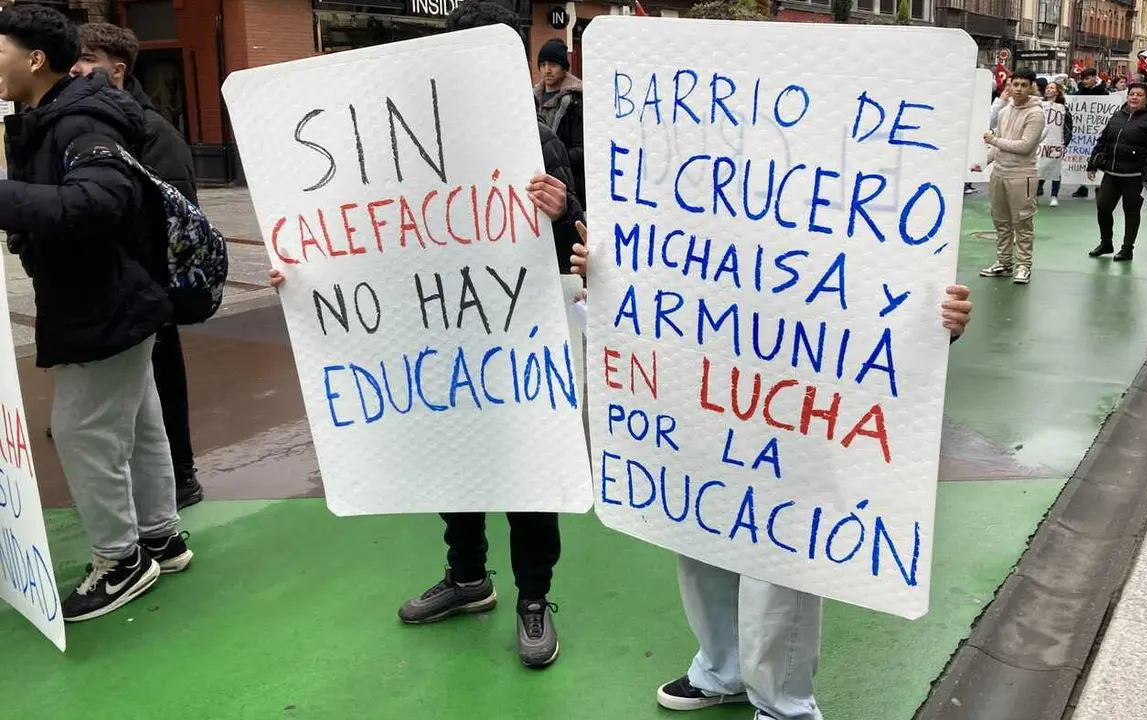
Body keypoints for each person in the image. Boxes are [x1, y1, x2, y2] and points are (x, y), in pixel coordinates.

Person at [269, 0, 583, 669]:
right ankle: (468, 577)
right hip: (440, 335)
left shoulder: (536, 141)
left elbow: (576, 246)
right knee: (456, 457)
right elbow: (368, 230)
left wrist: (562, 210)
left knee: (527, 474)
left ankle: (534, 598)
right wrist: (302, 269)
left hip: (514, 340)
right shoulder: (398, 139)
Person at [566, 226, 974, 720]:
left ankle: (784, 704)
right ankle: (724, 668)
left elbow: (871, 281)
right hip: (700, 389)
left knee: (778, 555)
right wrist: (616, 277)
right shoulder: (694, 186)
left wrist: (930, 325)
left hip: (794, 402)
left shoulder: (830, 195)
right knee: (700, 533)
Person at [0, 5, 191, 622]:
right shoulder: (48, 116)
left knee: (85, 430)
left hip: (106, 301)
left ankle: (122, 561)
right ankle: (161, 536)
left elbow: (97, 202)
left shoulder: (82, 121)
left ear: (34, 59)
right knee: (137, 422)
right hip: (115, 296)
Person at [71, 22, 205, 510]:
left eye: (86, 59)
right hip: (108, 288)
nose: (76, 67)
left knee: (161, 384)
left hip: (148, 289)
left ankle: (181, 475)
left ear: (117, 68)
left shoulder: (152, 132)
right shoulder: (88, 125)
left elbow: (179, 216)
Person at [974, 67, 1044, 285]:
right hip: (999, 174)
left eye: (1024, 85)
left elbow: (1025, 146)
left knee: (1022, 223)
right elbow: (998, 148)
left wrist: (993, 140)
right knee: (1001, 221)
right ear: (1010, 86)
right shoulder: (1004, 112)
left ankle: (1024, 265)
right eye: (1016, 84)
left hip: (1021, 176)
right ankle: (1004, 262)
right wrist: (982, 162)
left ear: (1031, 87)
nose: (1019, 89)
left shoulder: (1036, 113)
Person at [1086, 83, 1147, 262]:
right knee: (1103, 207)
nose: (1134, 97)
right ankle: (1106, 242)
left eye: (1139, 94)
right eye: (1131, 94)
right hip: (1112, 173)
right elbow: (1103, 140)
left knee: (1131, 212)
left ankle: (1127, 249)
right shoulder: (1118, 115)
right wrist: (1092, 163)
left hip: (1135, 176)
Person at [533, 38, 585, 209]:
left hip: (569, 186)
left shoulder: (575, 102)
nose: (547, 70)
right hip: (537, 182)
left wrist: (554, 157)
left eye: (553, 65)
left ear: (564, 68)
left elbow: (582, 149)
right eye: (543, 64)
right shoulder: (531, 99)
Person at [1070, 68, 1111, 199]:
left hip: (1098, 131)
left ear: (1094, 78)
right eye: (1083, 79)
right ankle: (1082, 185)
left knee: (1098, 156)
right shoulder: (1079, 93)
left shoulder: (1104, 93)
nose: (1085, 81)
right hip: (1083, 132)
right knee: (1082, 157)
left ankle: (1099, 185)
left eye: (1087, 78)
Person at [1037, 82, 1072, 208]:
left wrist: (1065, 143)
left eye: (1052, 87)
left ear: (1057, 92)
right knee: (1039, 167)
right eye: (1047, 87)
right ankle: (1035, 193)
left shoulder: (1063, 109)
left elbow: (1068, 128)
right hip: (1041, 143)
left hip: (1056, 143)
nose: (1048, 89)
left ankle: (1054, 195)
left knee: (1055, 170)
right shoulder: (1039, 105)